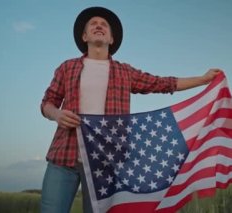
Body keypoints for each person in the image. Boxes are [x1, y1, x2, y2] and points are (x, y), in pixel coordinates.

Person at [40, 6, 221, 213]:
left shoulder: (125, 71)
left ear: (111, 39)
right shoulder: (67, 67)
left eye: (104, 25)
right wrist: (57, 114)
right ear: (84, 36)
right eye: (93, 24)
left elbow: (162, 83)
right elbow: (47, 102)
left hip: (105, 163)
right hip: (64, 157)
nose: (98, 26)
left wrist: (203, 79)